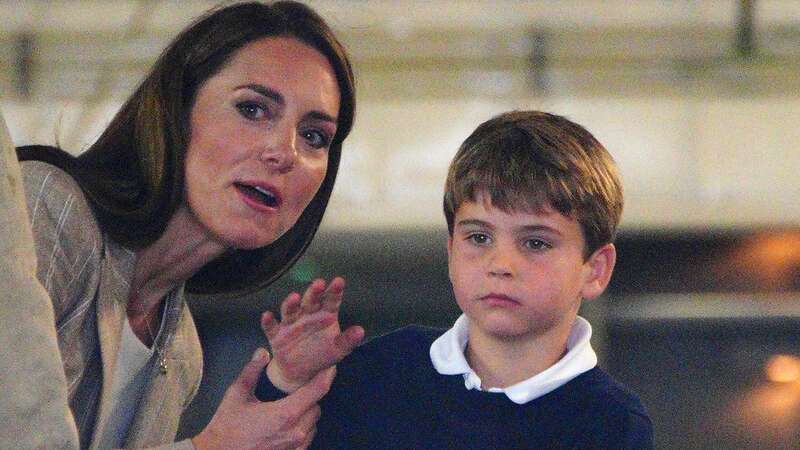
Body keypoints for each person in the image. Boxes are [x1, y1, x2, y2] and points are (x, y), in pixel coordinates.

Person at [0, 1, 357, 449]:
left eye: (313, 136)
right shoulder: (50, 211)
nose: (284, 153)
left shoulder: (182, 351)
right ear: (176, 111)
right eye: (253, 109)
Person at [256, 111, 654, 449]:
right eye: (479, 237)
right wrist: (288, 381)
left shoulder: (612, 424)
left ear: (595, 269)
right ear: (450, 252)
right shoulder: (383, 371)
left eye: (535, 242)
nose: (501, 264)